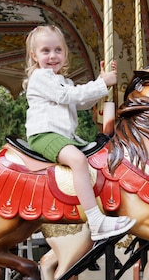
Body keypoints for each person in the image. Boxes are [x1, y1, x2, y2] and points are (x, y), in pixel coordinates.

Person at [23, 25, 135, 241]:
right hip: (44, 135)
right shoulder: (40, 77)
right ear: (34, 56)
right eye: (45, 51)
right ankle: (96, 221)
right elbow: (68, 97)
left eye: (58, 50)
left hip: (62, 137)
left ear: (65, 53)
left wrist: (103, 85)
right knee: (78, 160)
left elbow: (81, 101)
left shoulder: (63, 81)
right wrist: (102, 83)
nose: (52, 56)